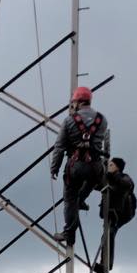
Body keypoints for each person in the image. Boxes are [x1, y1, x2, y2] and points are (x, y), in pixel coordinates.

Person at [49, 87, 111, 245]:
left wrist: (54, 168)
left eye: (73, 102)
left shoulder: (69, 120)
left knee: (69, 199)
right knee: (91, 181)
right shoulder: (102, 119)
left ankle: (69, 234)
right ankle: (82, 199)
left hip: (76, 166)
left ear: (78, 102)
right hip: (96, 167)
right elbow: (99, 140)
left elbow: (60, 146)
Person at [94, 157, 137, 273]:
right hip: (111, 213)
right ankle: (104, 265)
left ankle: (106, 266)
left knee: (109, 234)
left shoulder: (124, 178)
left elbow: (128, 185)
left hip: (122, 214)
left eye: (111, 165)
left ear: (118, 167)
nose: (109, 167)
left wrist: (115, 175)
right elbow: (96, 185)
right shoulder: (107, 179)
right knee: (106, 236)